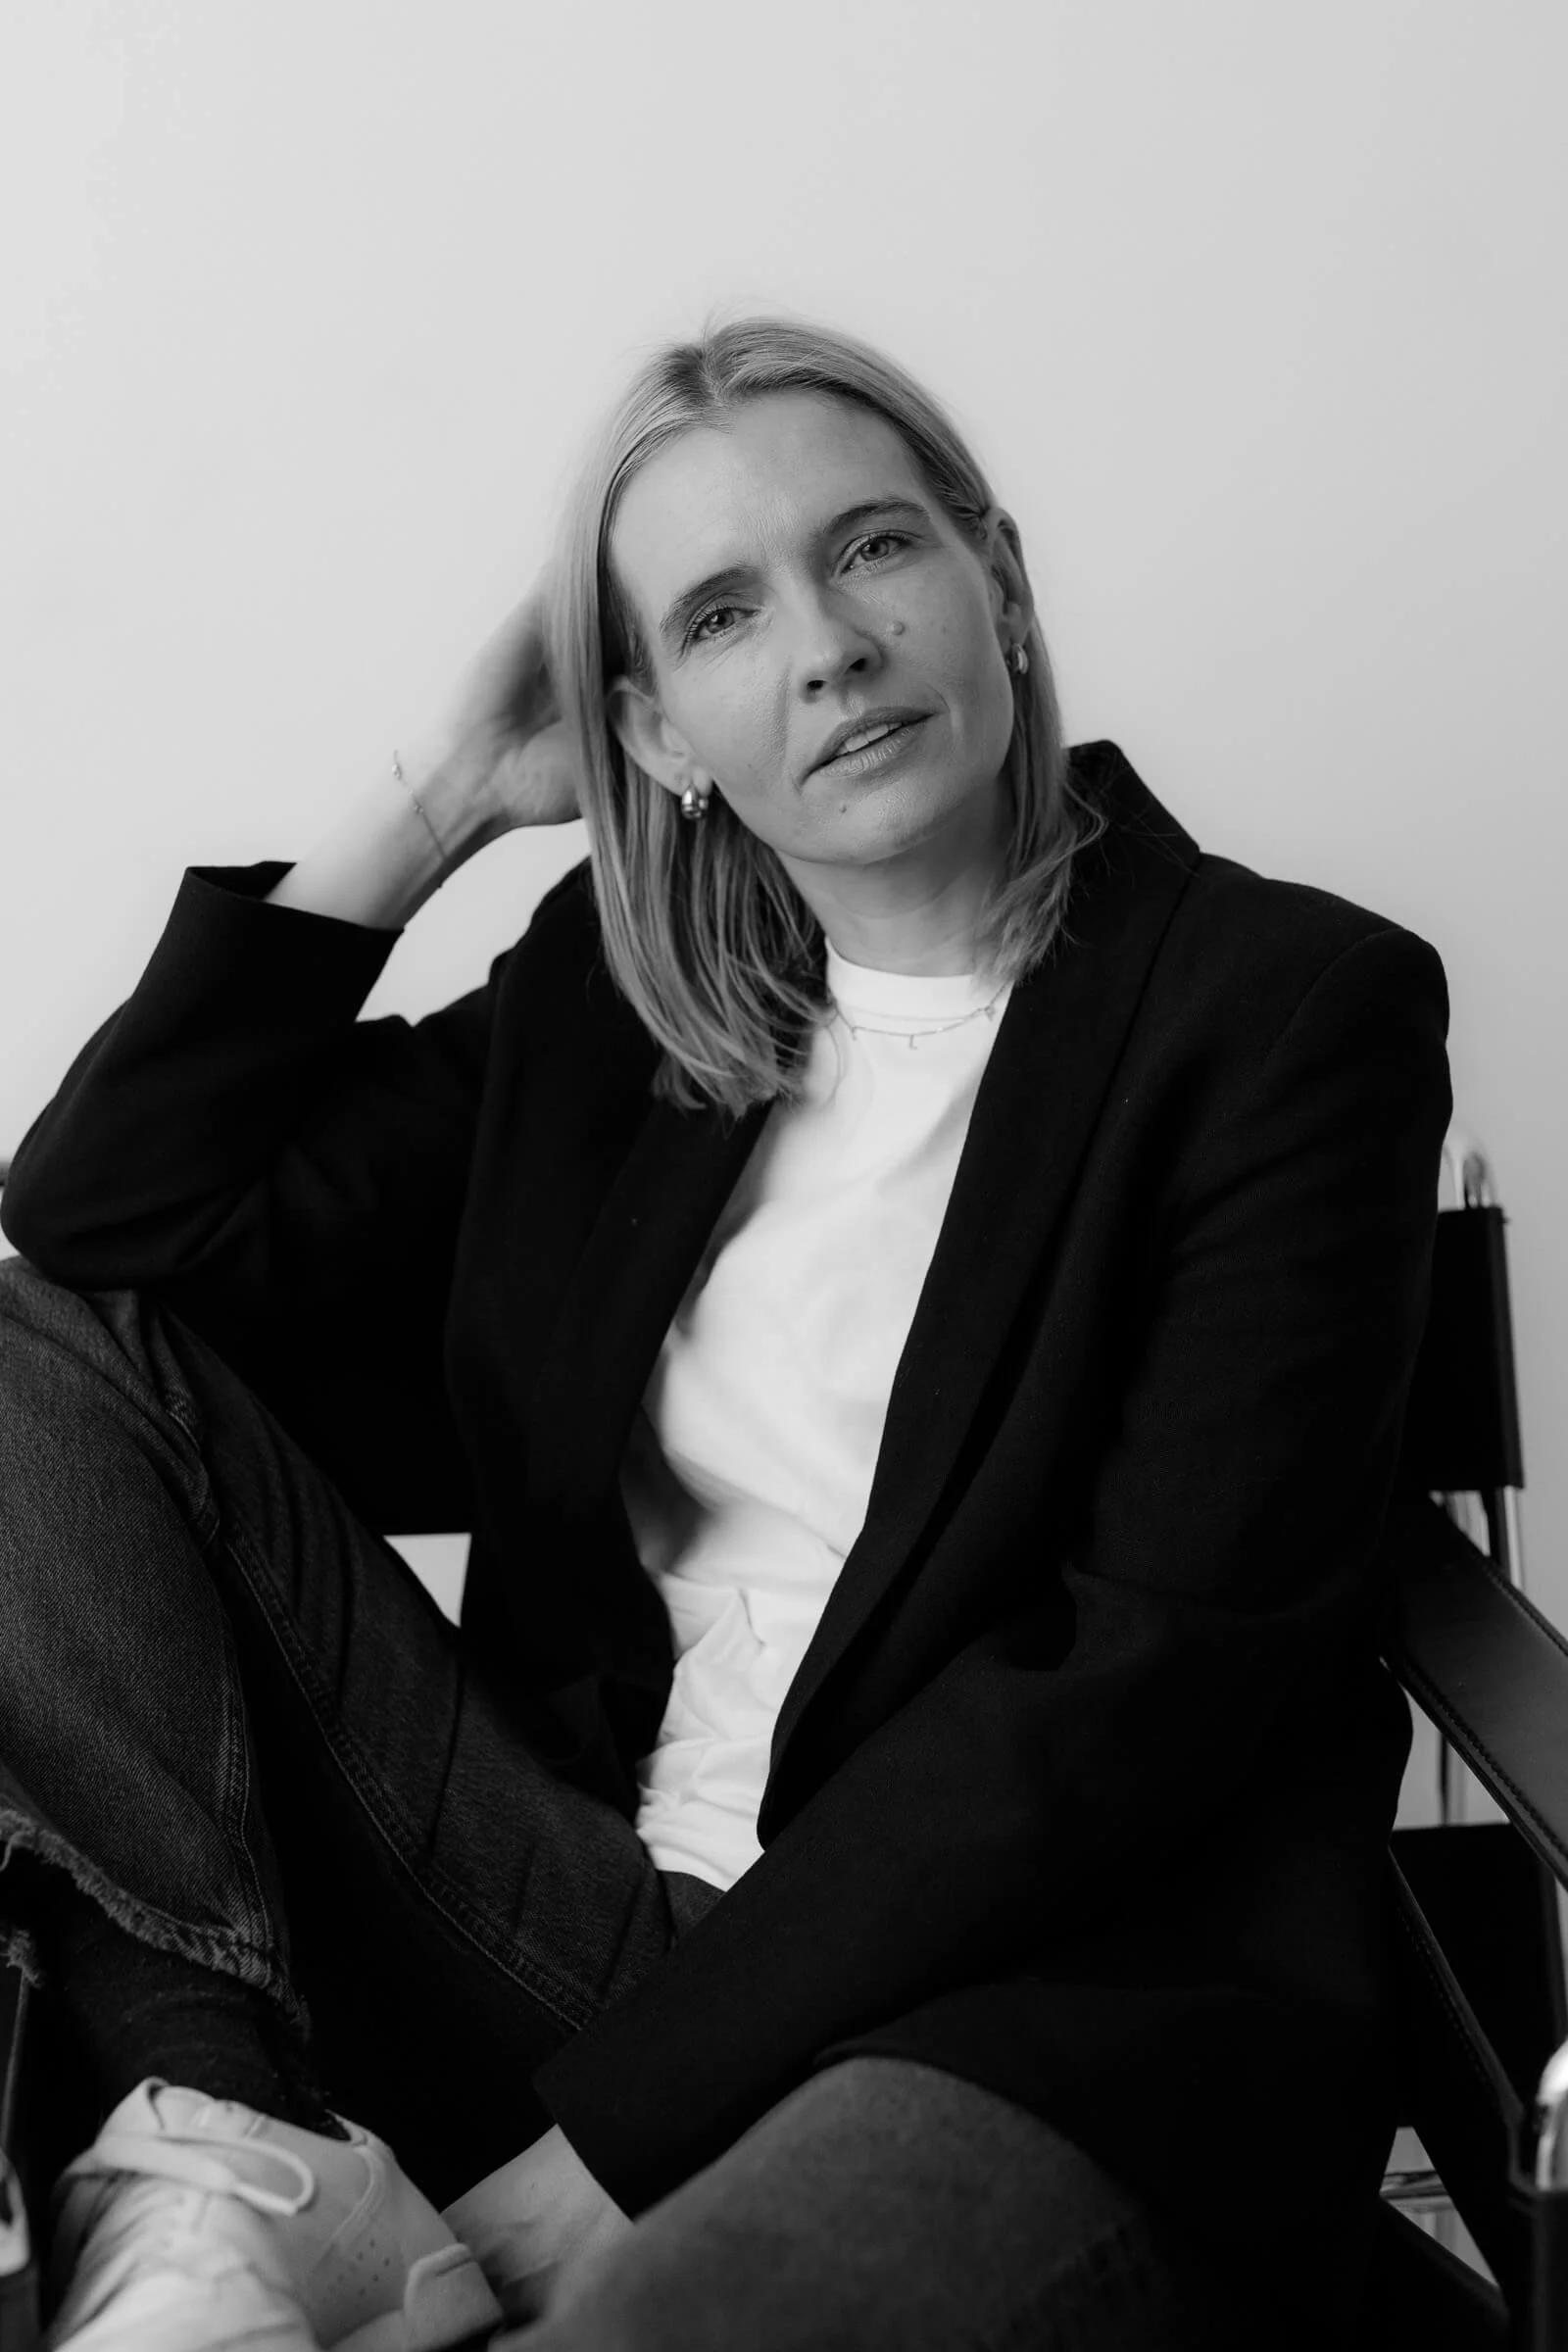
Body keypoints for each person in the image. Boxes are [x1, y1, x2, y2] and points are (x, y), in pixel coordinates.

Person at [0, 316, 1450, 2352]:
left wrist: (612, 2147)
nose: (827, 644)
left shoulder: (1286, 1015)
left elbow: (1127, 1694)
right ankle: (232, 2160)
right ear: (661, 732)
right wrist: (433, 800)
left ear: (999, 589)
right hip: (574, 1913)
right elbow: (99, 1231)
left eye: (870, 551)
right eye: (719, 614)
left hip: (1017, 2001)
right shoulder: (624, 1004)